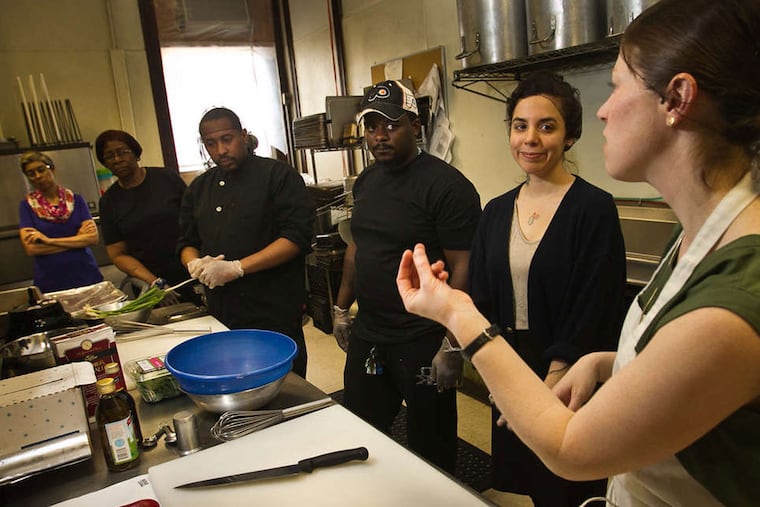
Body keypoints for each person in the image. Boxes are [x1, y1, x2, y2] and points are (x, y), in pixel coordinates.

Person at [396, 0, 760, 505]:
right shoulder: (699, 236)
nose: (605, 109)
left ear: (677, 98)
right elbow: (681, 367)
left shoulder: (736, 289)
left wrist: (456, 312)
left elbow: (572, 447)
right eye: (520, 126)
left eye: (615, 87)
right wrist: (608, 364)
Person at [468, 71, 626, 505]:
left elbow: (594, 304)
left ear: (570, 137)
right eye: (521, 126)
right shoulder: (496, 211)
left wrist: (547, 388)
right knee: (532, 484)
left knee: (569, 484)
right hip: (510, 363)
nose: (531, 139)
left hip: (569, 372)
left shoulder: (593, 208)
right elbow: (480, 295)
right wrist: (497, 375)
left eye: (547, 126)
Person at [332, 80, 481, 473]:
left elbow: (465, 267)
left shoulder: (447, 187)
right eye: (371, 126)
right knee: (360, 427)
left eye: (391, 125)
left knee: (431, 442)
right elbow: (357, 246)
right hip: (371, 333)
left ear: (416, 127)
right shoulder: (366, 182)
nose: (379, 136)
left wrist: (453, 344)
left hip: (421, 339)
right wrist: (340, 307)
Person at [178, 107, 314, 377]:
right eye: (210, 144)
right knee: (234, 380)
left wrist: (237, 268)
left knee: (287, 386)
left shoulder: (278, 176)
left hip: (273, 309)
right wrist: (193, 262)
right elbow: (186, 241)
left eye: (227, 139)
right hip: (223, 311)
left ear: (243, 135)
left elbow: (295, 238)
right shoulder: (200, 188)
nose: (220, 150)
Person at [95, 129, 193, 303]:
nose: (117, 159)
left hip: (191, 270)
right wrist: (153, 282)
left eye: (122, 152)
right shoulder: (109, 201)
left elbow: (195, 220)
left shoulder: (166, 178)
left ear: (135, 153)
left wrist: (198, 263)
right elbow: (117, 254)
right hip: (149, 282)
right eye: (109, 156)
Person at [18, 151, 103, 293]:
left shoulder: (76, 200)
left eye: (41, 169)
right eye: (31, 173)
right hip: (50, 280)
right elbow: (31, 248)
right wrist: (77, 240)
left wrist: (48, 241)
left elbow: (93, 238)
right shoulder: (26, 206)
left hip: (86, 275)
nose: (38, 176)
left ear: (52, 168)